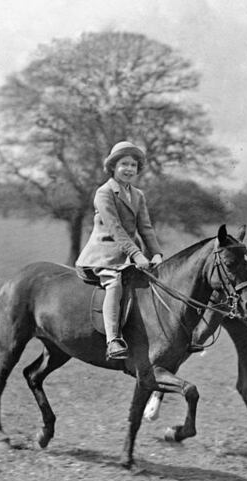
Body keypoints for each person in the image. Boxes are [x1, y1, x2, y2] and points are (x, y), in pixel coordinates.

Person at [76, 141, 163, 360]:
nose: (129, 169)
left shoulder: (138, 195)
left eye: (133, 165)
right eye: (124, 164)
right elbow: (116, 229)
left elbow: (145, 227)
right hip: (103, 257)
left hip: (129, 256)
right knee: (114, 284)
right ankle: (113, 340)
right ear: (113, 167)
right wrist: (137, 255)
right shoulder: (104, 193)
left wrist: (156, 253)